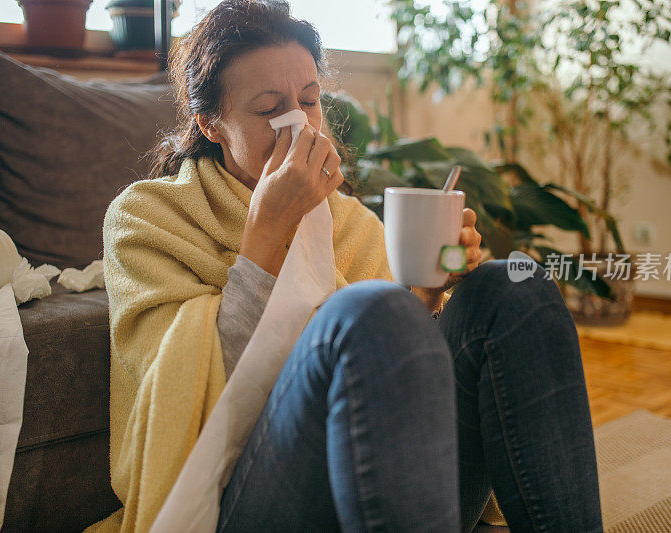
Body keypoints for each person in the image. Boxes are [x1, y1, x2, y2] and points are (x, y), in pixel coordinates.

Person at [90, 1, 603, 531]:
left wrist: (427, 295)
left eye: (309, 101)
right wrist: (266, 233)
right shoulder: (147, 218)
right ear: (211, 124)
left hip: (395, 480)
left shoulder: (349, 221)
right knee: (368, 309)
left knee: (513, 286)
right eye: (268, 109)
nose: (298, 124)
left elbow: (397, 382)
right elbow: (179, 409)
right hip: (241, 492)